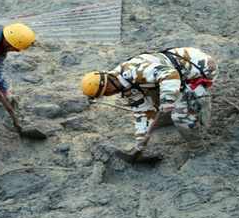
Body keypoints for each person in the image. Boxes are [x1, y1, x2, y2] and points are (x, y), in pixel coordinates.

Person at [81, 47, 218, 162]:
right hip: (176, 74)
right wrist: (140, 140)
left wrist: (168, 100)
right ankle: (171, 112)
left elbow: (170, 75)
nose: (107, 95)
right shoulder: (124, 86)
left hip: (199, 70)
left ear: (108, 83)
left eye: (105, 93)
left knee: (180, 116)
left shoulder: (134, 71)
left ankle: (198, 148)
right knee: (156, 98)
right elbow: (143, 112)